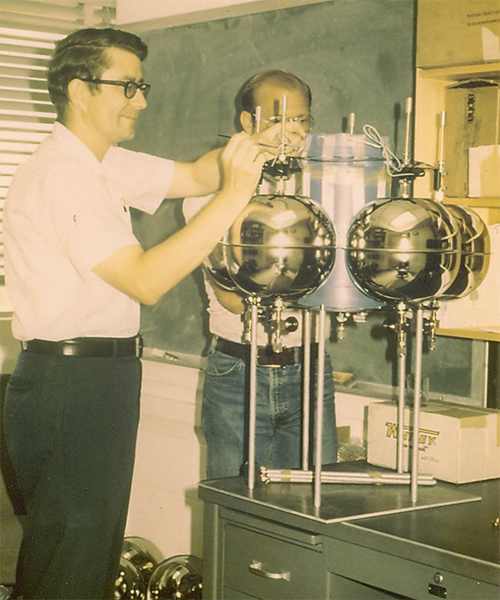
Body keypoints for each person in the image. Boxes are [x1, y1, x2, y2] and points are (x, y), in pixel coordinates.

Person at [2, 29, 305, 600]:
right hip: (73, 384)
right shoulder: (62, 177)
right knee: (71, 567)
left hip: (97, 379)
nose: (141, 100)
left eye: (142, 86)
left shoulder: (100, 164)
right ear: (79, 91)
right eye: (128, 86)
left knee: (77, 560)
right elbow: (146, 280)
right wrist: (233, 198)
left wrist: (260, 142)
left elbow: (195, 174)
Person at [183, 70, 338, 480]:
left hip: (310, 368)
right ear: (246, 124)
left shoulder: (321, 189)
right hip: (238, 370)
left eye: (300, 120)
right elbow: (235, 297)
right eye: (276, 119)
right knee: (234, 504)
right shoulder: (208, 190)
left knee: (314, 508)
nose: (290, 133)